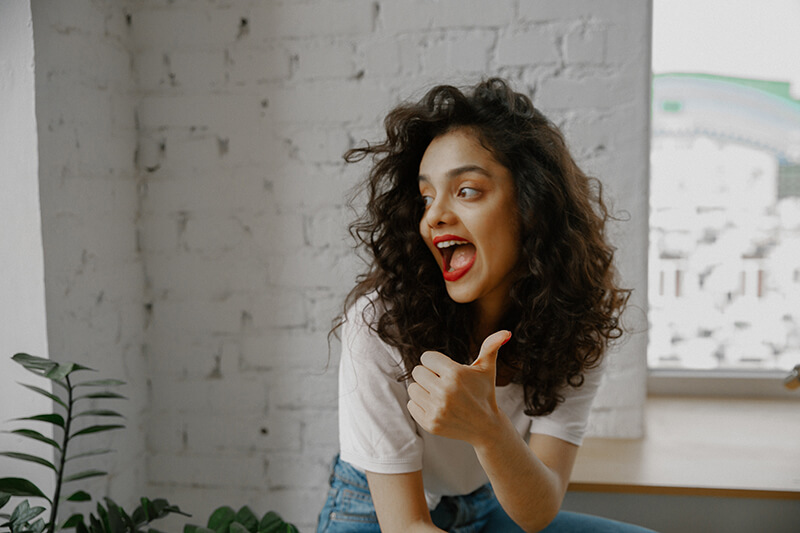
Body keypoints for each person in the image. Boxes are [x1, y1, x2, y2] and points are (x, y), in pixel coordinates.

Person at [317, 78, 654, 532]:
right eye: (426, 197)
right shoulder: (378, 324)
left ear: (531, 206)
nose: (434, 215)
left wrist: (487, 428)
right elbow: (407, 526)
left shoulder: (575, 323)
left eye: (467, 190)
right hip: (372, 514)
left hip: (484, 504)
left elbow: (538, 510)